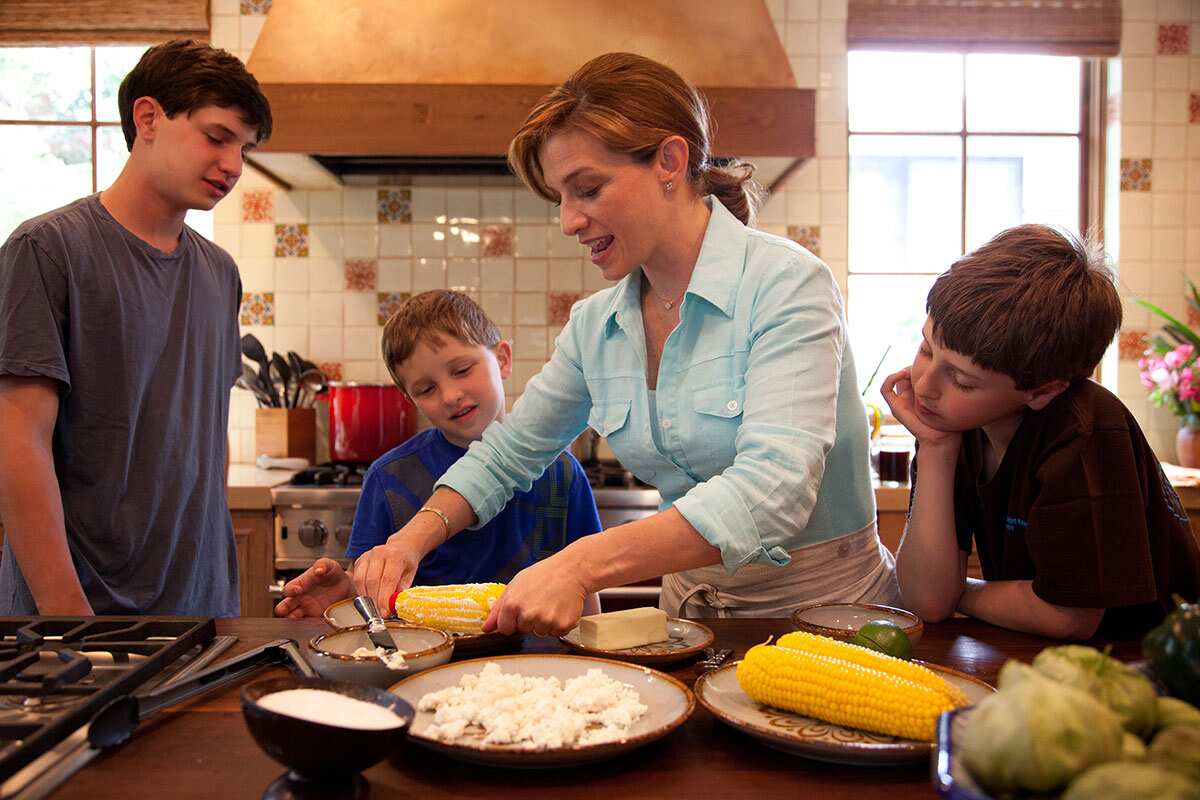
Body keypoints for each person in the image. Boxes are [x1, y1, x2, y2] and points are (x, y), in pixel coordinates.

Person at [351, 52, 899, 636]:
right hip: (688, 617)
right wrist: (411, 540)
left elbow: (774, 490)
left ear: (670, 159)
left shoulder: (788, 284)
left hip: (824, 616)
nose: (567, 221)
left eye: (586, 189)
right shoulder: (596, 325)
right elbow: (508, 453)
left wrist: (580, 564)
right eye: (560, 197)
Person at [0, 40, 272, 615]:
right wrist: (68, 619)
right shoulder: (47, 250)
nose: (232, 165)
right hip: (81, 612)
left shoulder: (219, 272)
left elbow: (207, 431)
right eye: (217, 136)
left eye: (243, 149)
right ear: (148, 117)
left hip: (198, 605)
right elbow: (16, 440)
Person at [882, 224, 1200, 639]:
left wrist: (957, 592)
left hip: (1143, 664)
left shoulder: (1086, 431)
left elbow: (1069, 616)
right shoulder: (956, 424)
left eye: (963, 381)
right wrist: (936, 448)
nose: (924, 385)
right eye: (926, 349)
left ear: (1043, 391)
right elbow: (926, 601)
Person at [273, 290, 603, 619]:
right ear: (410, 399)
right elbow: (369, 590)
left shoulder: (563, 471)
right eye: (426, 389)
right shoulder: (389, 478)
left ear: (502, 359)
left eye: (461, 370)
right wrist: (344, 595)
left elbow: (586, 589)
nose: (450, 395)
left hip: (538, 663)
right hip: (423, 659)